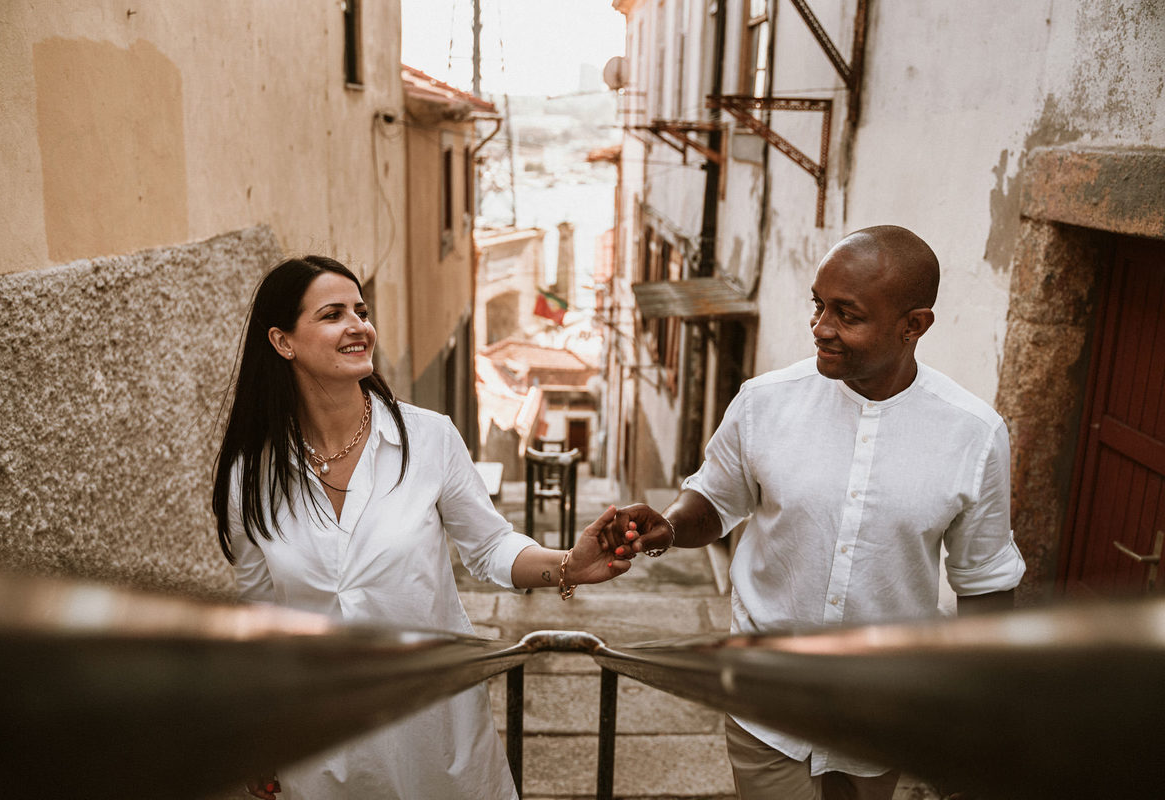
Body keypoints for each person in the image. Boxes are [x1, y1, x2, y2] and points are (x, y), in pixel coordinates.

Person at [603, 226, 1025, 800]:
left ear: (914, 325)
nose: (821, 327)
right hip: (767, 702)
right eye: (818, 305)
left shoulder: (974, 434)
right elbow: (716, 499)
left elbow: (985, 581)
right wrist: (670, 525)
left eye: (847, 315)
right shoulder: (764, 401)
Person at [212, 255, 636, 800]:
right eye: (333, 314)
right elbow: (259, 612)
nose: (358, 326)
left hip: (434, 729)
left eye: (361, 311)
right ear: (282, 341)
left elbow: (489, 546)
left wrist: (567, 565)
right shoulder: (251, 475)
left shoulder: (429, 437)